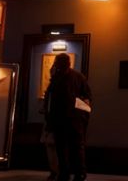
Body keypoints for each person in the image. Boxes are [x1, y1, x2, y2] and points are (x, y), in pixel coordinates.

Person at [46, 53, 92, 181]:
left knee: (66, 147)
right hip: (73, 119)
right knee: (74, 147)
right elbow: (87, 98)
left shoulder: (57, 78)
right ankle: (78, 173)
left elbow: (50, 100)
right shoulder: (77, 77)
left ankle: (68, 173)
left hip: (65, 119)